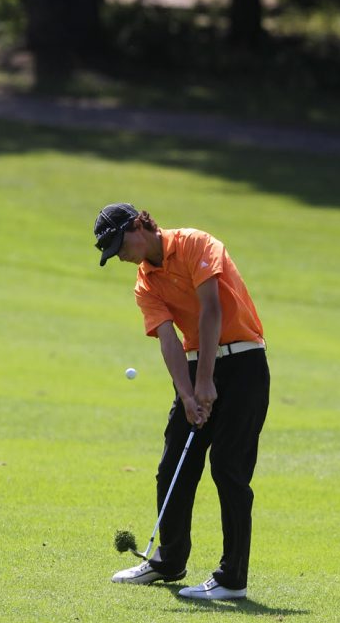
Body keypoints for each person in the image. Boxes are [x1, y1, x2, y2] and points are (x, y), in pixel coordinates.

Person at [94, 202, 270, 600]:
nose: (120, 255)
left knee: (228, 467)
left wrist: (206, 380)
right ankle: (168, 561)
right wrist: (188, 393)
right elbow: (169, 339)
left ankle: (232, 579)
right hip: (195, 366)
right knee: (174, 462)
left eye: (120, 244)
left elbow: (212, 310)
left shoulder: (195, 244)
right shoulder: (145, 281)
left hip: (243, 363)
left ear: (140, 225)